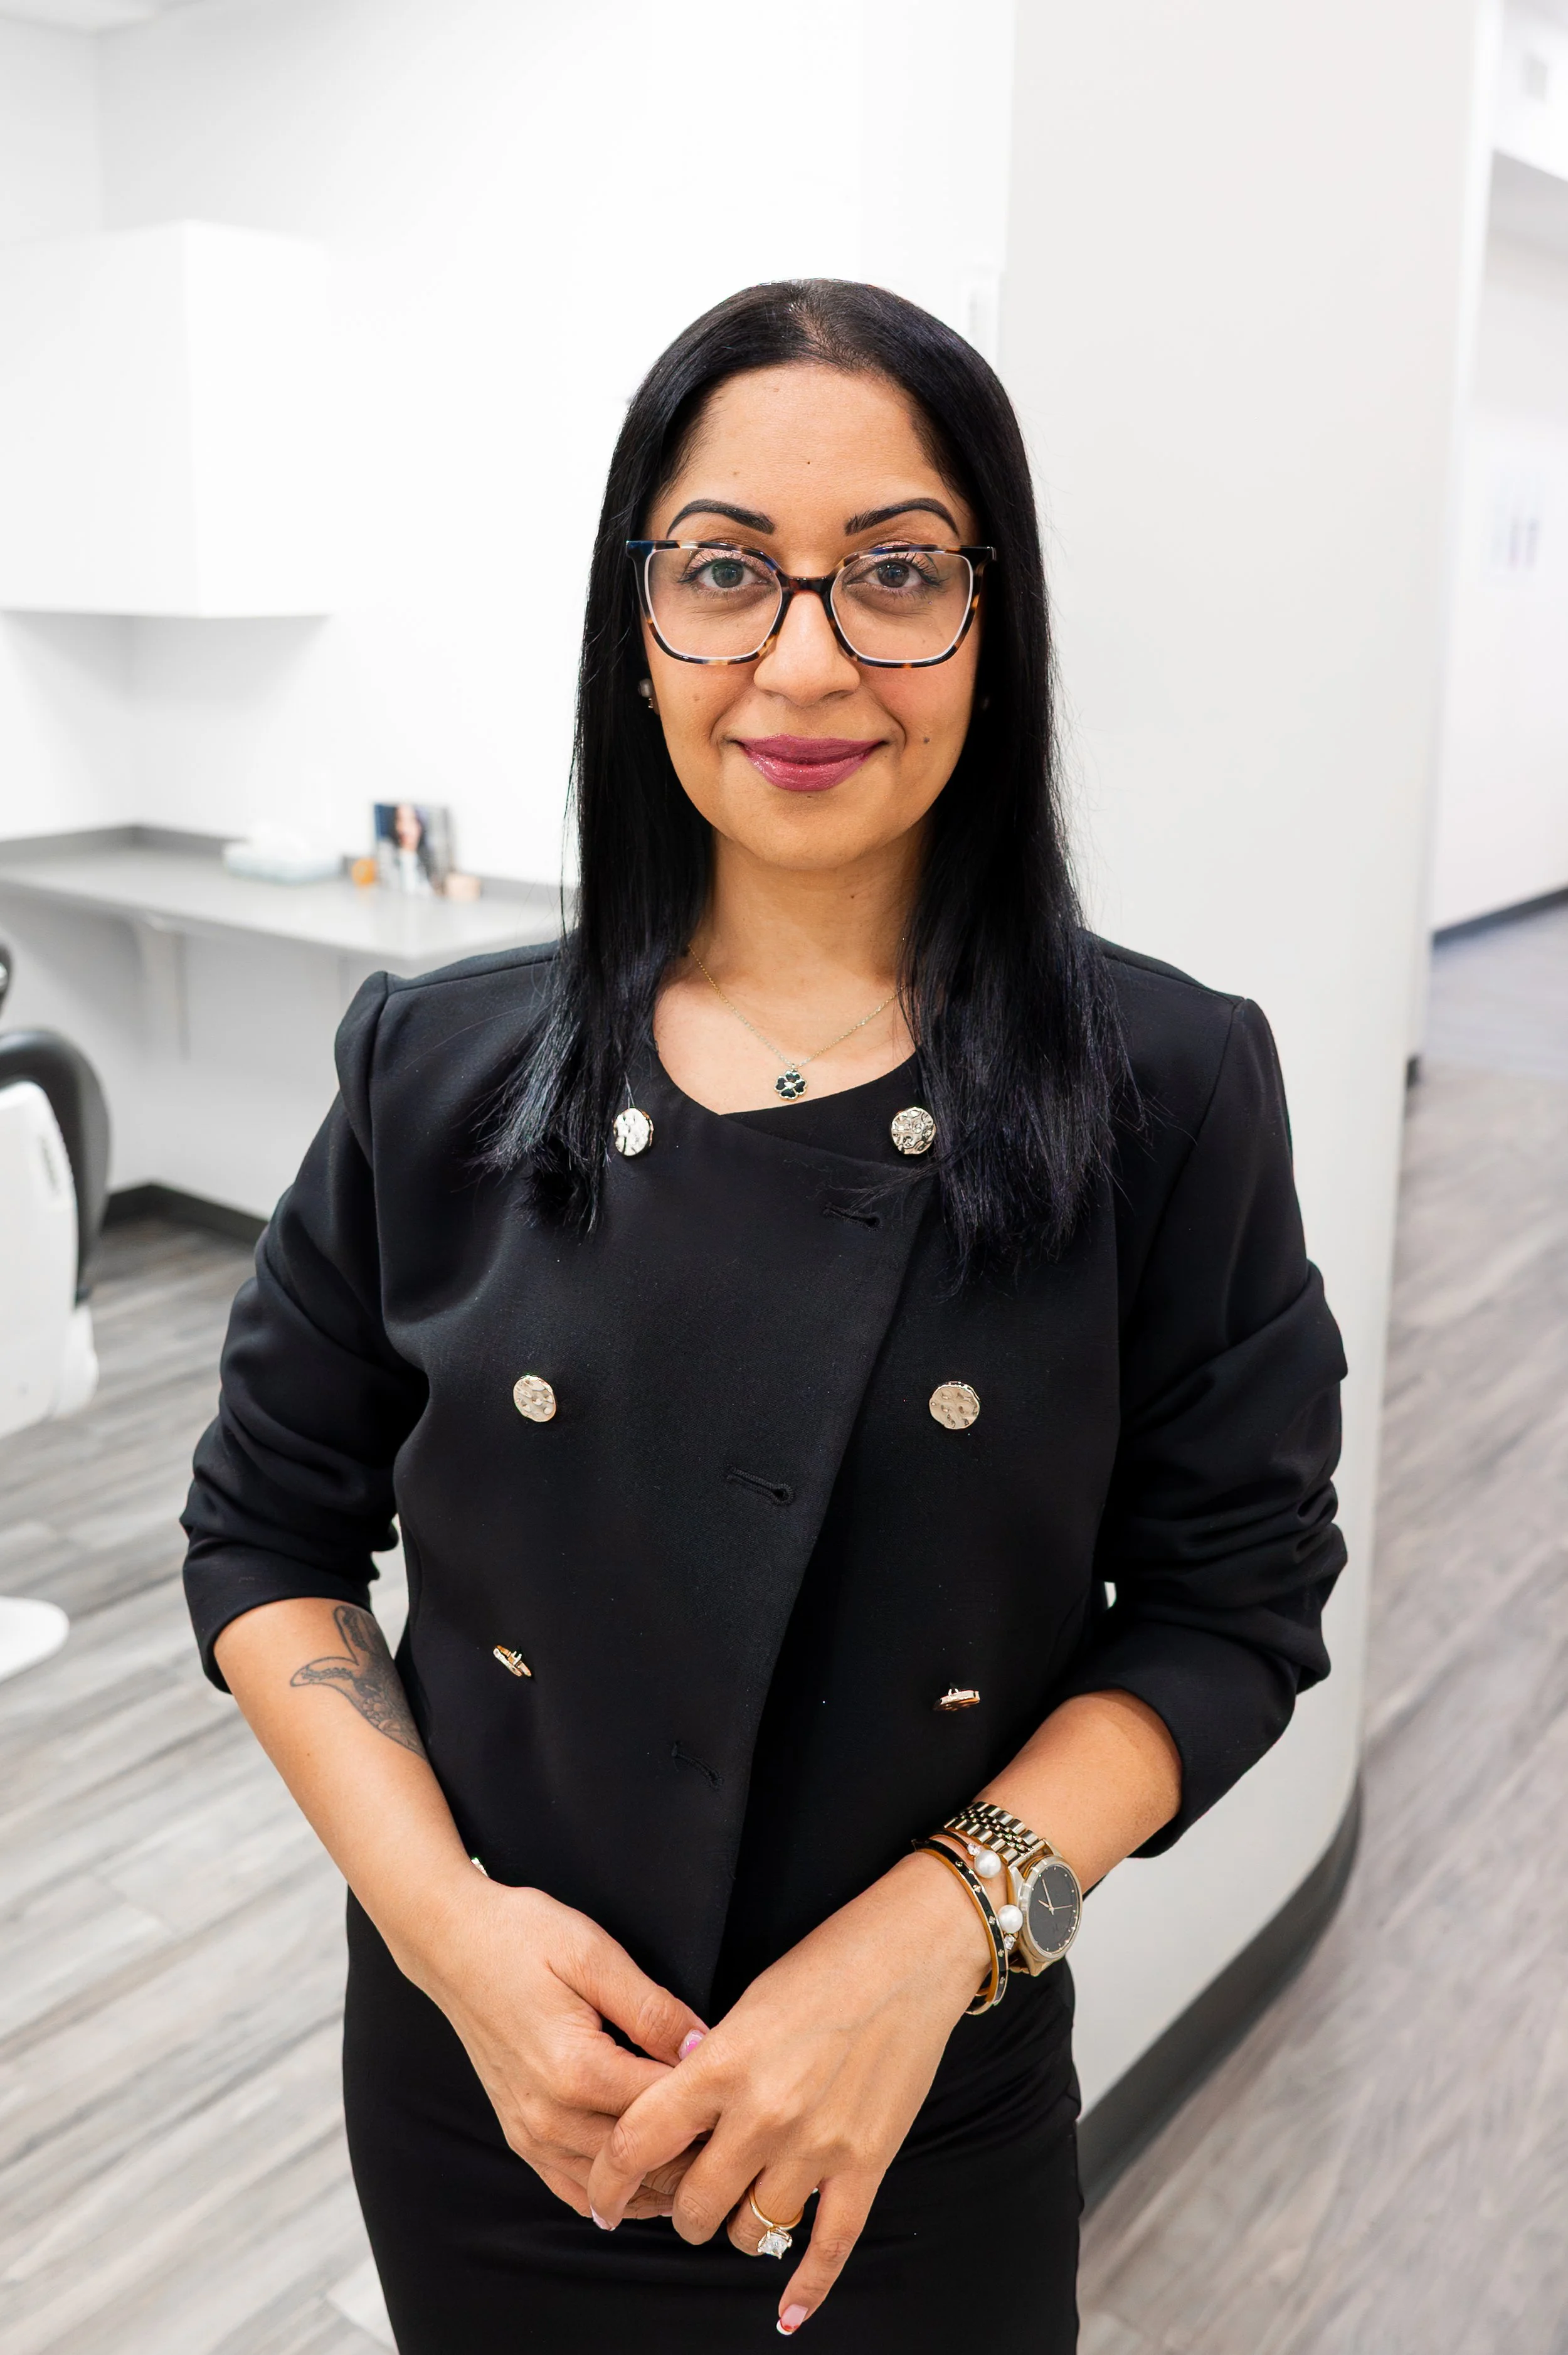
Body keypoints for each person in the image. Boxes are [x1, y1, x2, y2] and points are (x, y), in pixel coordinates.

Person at [182, 280, 1346, 2353]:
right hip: (496, 2103)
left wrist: (926, 1944)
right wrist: (452, 1943)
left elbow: (1230, 1605)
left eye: (896, 573)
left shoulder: (1165, 1091)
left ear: (993, 620)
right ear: (637, 620)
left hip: (911, 2118)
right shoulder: (432, 1070)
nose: (803, 660)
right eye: (724, 572)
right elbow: (267, 1542)